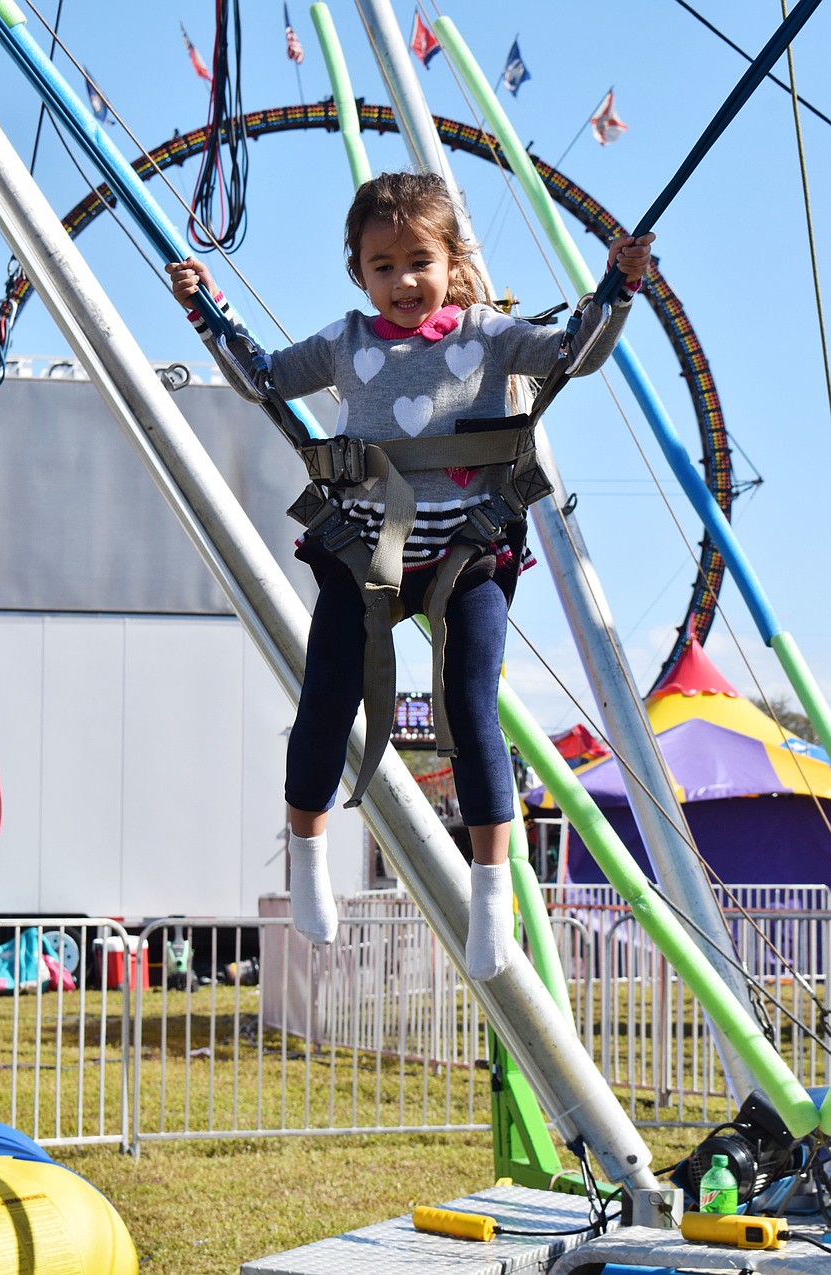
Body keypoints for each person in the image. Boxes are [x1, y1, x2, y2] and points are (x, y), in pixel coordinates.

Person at [167, 171, 653, 980]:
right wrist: (207, 310)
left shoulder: (492, 337)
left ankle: (492, 891)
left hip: (468, 552)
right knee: (325, 701)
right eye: (383, 265)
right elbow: (260, 378)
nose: (403, 281)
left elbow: (577, 353)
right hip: (366, 559)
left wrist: (619, 285)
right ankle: (309, 856)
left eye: (419, 260)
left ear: (453, 259)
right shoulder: (343, 344)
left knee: (470, 709)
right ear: (358, 270)